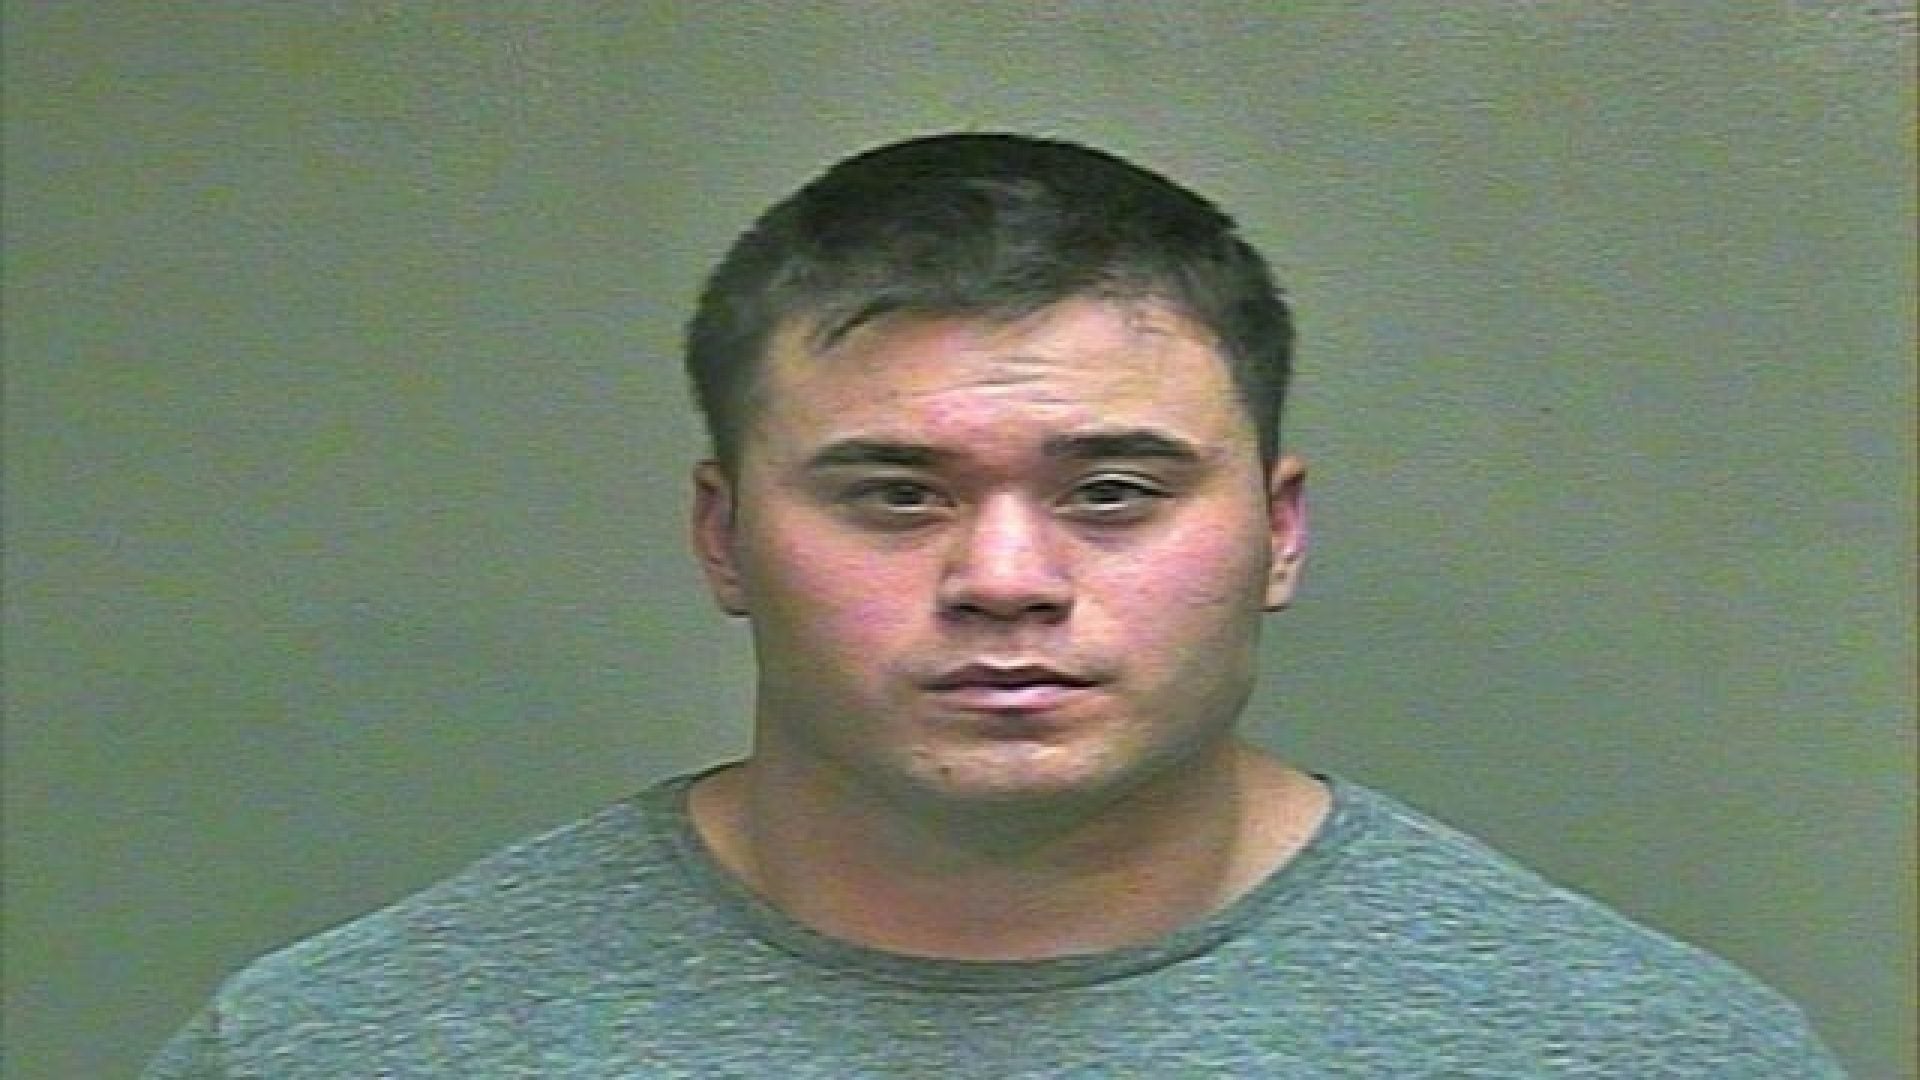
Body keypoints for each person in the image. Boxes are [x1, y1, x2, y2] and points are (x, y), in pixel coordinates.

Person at [145, 132, 1846, 1077]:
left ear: (1278, 534)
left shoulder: (1644, 1052)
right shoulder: (339, 1046)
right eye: (896, 494)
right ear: (725, 539)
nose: (1008, 581)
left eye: (1115, 492)